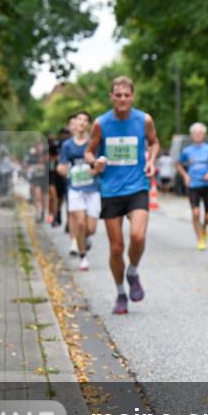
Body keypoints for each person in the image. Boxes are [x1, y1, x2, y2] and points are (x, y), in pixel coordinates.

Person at [85, 76, 160, 315]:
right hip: (110, 190)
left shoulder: (144, 119)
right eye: (118, 95)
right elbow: (89, 151)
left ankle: (133, 271)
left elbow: (154, 142)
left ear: (133, 97)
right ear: (111, 97)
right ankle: (120, 292)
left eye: (127, 95)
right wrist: (95, 162)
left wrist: (151, 160)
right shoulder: (101, 123)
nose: (122, 99)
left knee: (138, 236)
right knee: (116, 248)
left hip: (137, 186)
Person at [58, 111, 100, 271]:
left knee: (91, 228)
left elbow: (101, 162)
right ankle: (83, 258)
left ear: (88, 124)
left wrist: (95, 169)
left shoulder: (94, 142)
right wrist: (64, 170)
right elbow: (62, 165)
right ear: (75, 123)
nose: (82, 122)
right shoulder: (67, 145)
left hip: (92, 189)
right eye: (79, 119)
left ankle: (85, 239)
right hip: (75, 189)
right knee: (80, 223)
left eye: (85, 120)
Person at [176, 122, 208, 250]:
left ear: (204, 135)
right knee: (196, 213)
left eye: (200, 133)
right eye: (195, 133)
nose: (197, 135)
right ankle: (199, 239)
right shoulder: (187, 151)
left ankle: (204, 229)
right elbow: (178, 164)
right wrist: (186, 176)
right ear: (192, 135)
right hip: (193, 185)